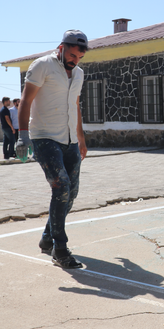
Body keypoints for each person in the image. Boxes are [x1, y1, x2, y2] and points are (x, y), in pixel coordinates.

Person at [16, 30, 89, 269]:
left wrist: (81, 137)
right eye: (72, 54)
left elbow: (75, 105)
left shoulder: (78, 74)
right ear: (61, 47)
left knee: (72, 192)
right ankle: (60, 248)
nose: (74, 60)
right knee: (62, 187)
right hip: (44, 137)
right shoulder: (42, 66)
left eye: (79, 57)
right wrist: (22, 137)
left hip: (69, 140)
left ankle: (47, 239)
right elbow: (26, 100)